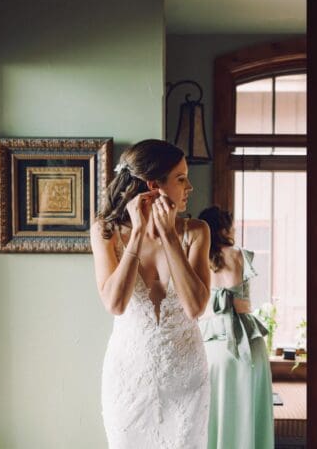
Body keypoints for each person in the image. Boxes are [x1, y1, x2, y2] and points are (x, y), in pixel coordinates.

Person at [91, 139, 211, 448]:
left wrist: (170, 236)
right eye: (181, 178)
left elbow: (195, 307)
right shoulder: (106, 231)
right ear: (153, 185)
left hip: (186, 377)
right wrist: (139, 235)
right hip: (129, 376)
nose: (190, 187)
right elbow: (115, 304)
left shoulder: (196, 231)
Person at [197, 206, 273, 449]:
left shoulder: (197, 259)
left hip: (213, 347)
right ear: (223, 228)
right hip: (249, 345)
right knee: (249, 412)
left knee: (216, 414)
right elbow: (250, 300)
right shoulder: (240, 254)